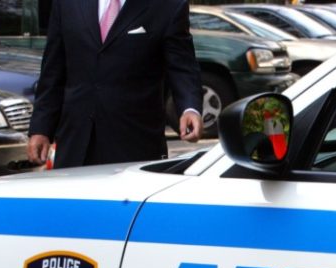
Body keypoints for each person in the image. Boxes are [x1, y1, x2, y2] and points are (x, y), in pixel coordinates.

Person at [26, 0, 203, 168]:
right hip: (75, 143)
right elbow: (53, 70)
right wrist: (41, 128)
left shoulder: (167, 5)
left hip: (134, 145)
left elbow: (183, 68)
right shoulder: (67, 4)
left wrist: (190, 108)